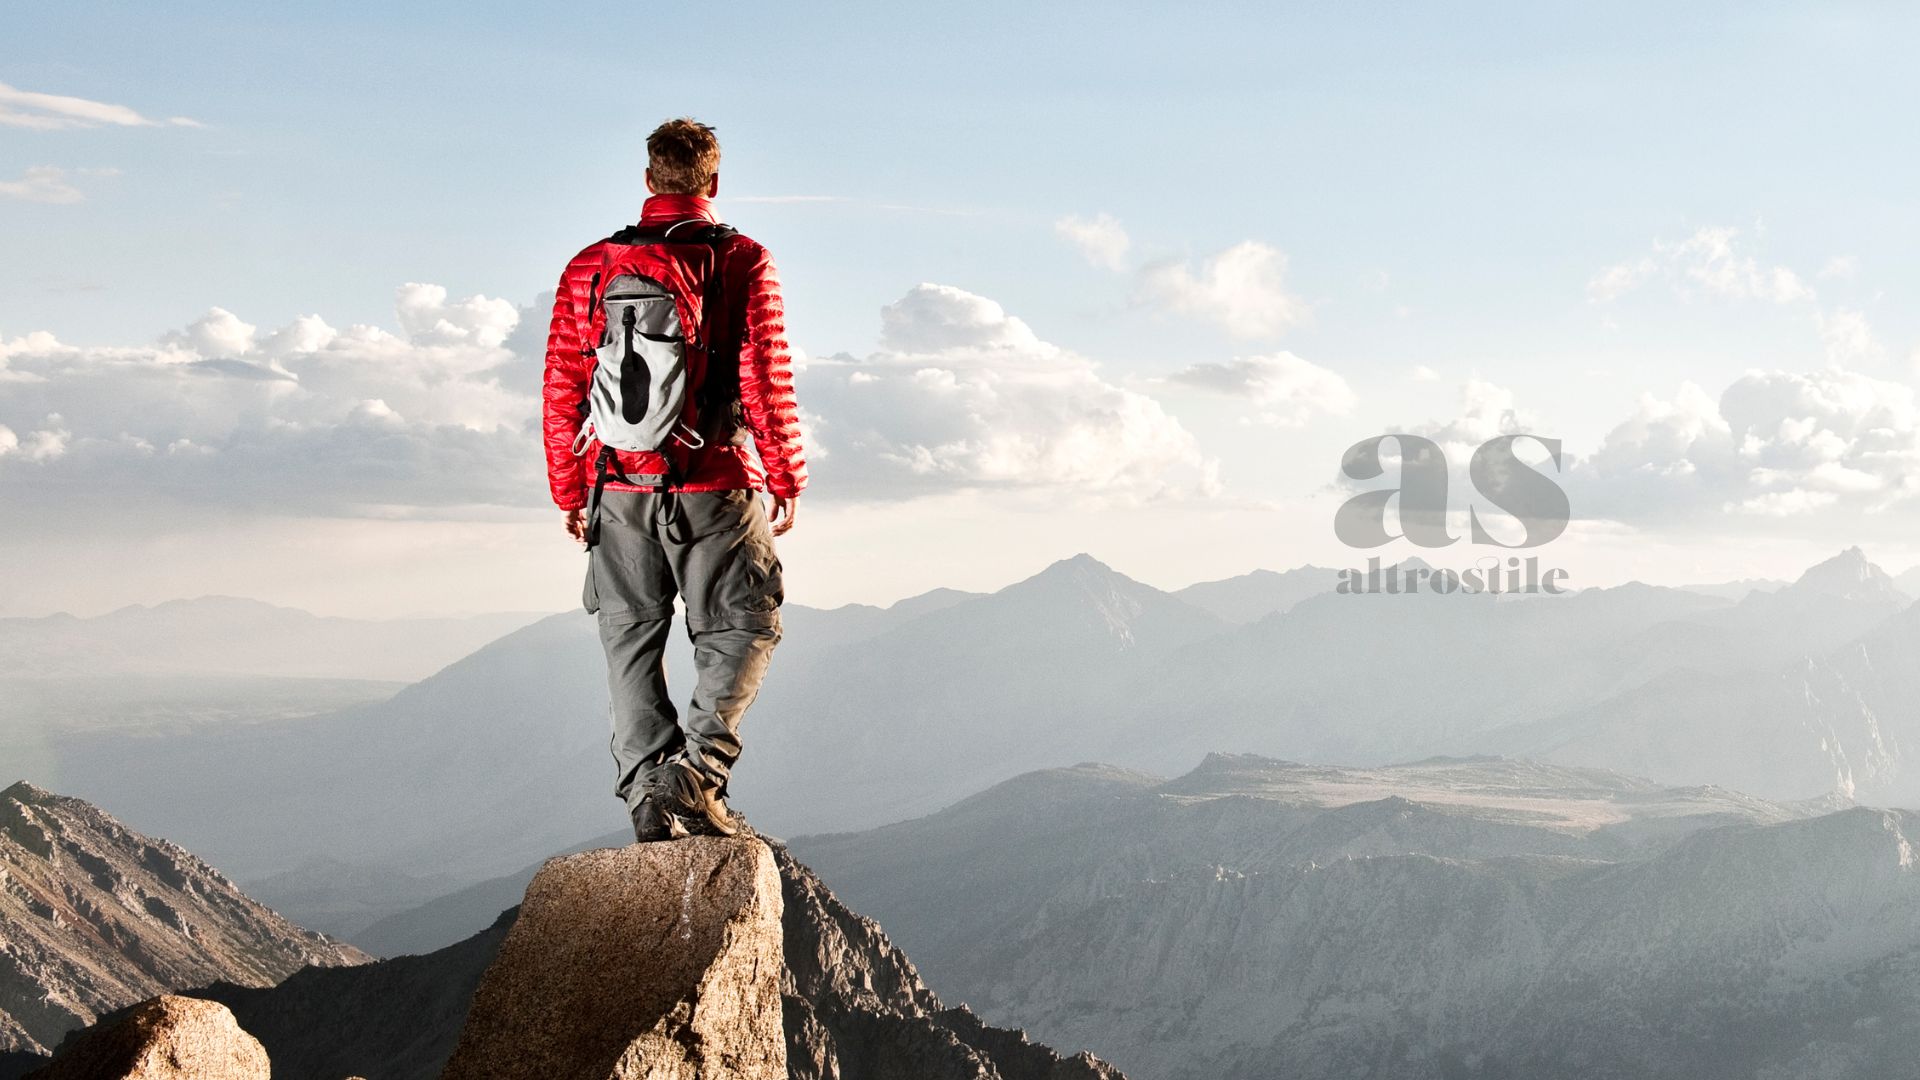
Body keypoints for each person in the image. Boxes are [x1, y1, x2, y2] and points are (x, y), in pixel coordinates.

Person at [540, 118, 807, 841]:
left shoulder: (591, 266)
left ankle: (646, 799)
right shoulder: (742, 259)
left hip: (616, 487)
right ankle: (693, 777)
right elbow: (764, 376)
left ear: (648, 179)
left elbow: (563, 385)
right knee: (744, 624)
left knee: (629, 641)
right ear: (713, 181)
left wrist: (570, 489)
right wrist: (785, 472)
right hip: (713, 482)